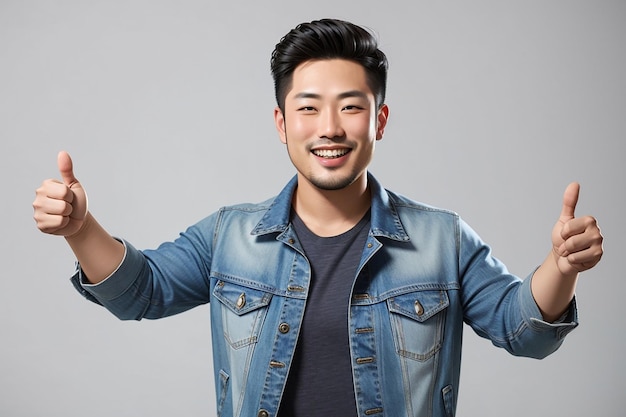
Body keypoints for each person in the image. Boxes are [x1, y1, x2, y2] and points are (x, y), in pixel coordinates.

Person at [33, 18, 603, 417]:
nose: (329, 127)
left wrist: (561, 265)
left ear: (378, 121)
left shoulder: (442, 240)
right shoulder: (230, 236)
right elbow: (141, 293)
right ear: (282, 123)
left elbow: (523, 331)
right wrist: (81, 230)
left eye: (350, 106)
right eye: (308, 107)